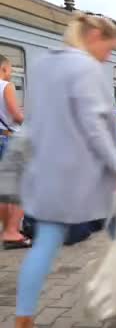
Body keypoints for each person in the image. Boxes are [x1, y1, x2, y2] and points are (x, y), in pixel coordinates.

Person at [15, 13, 116, 328]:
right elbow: (94, 125)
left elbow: (32, 120)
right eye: (109, 48)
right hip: (90, 175)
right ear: (93, 37)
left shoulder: (43, 64)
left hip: (50, 174)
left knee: (44, 246)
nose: (108, 56)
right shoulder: (84, 66)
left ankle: (23, 318)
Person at [0, 54, 29, 250]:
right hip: (9, 140)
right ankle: (12, 233)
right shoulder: (5, 86)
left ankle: (6, 230)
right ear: (3, 69)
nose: (11, 74)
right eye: (10, 69)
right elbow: (17, 116)